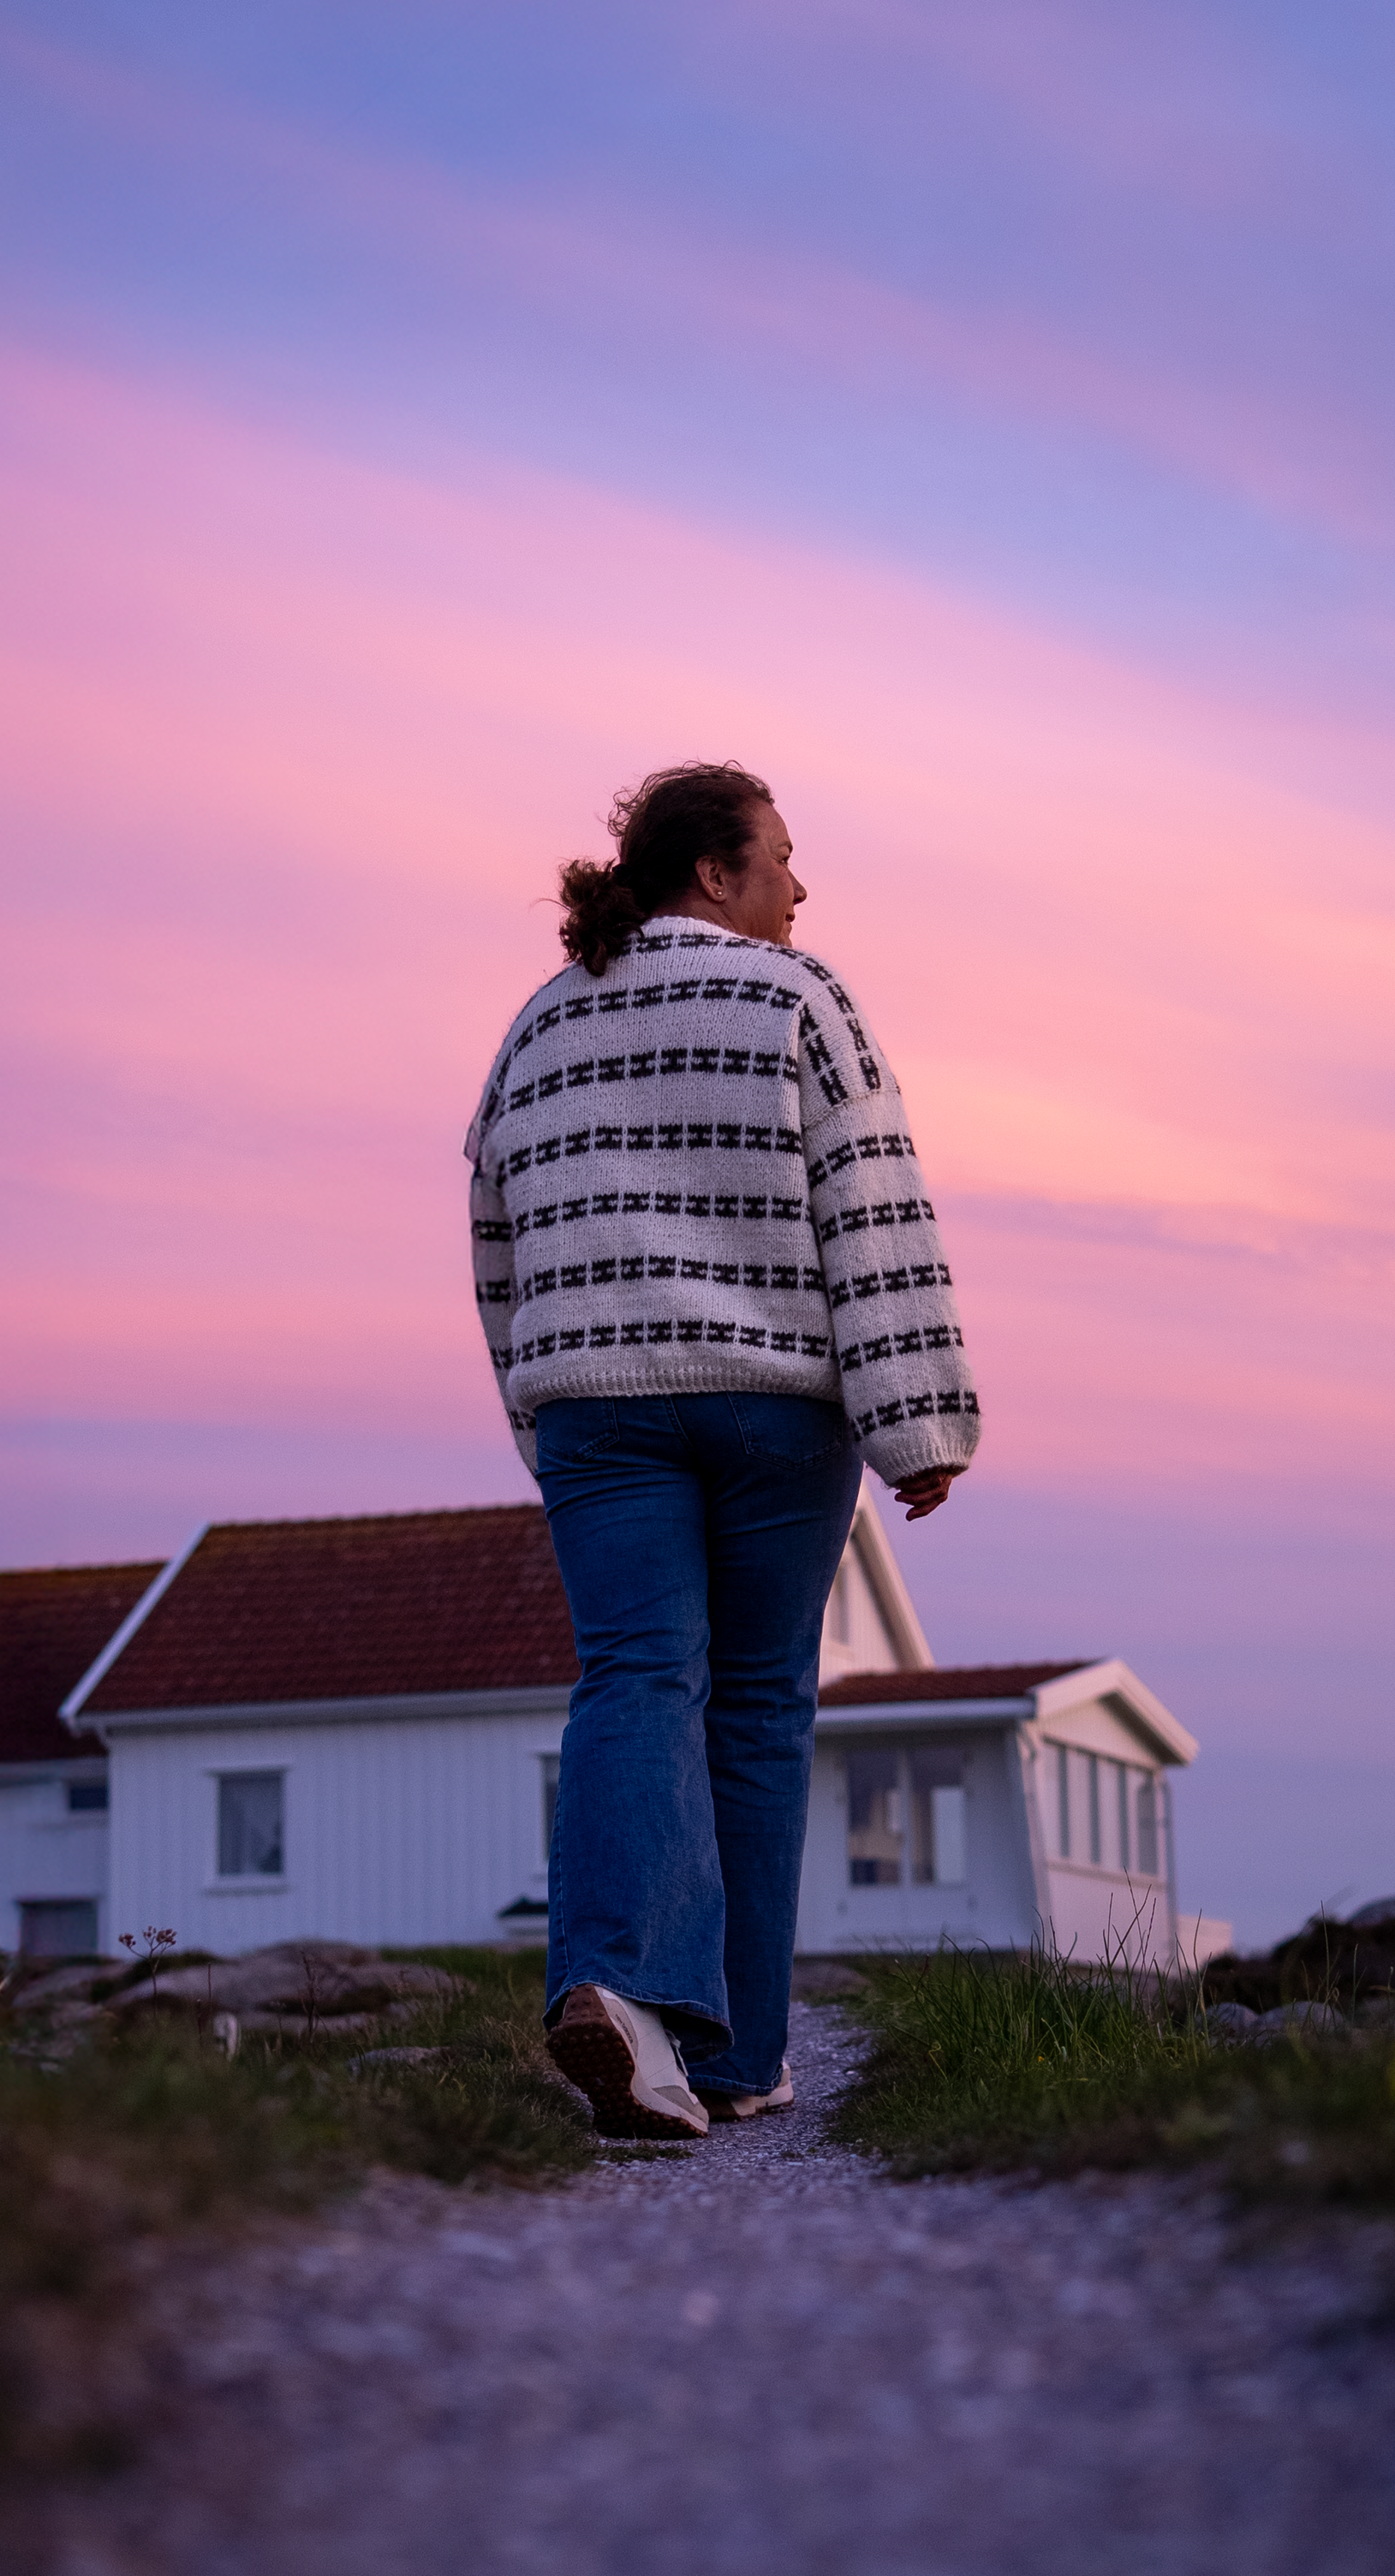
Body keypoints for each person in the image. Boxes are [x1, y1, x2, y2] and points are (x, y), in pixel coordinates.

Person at [465, 761, 981, 2136]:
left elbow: (495, 1243)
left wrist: (547, 1415)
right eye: (784, 858)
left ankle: (622, 1997)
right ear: (714, 872)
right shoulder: (799, 1002)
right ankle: (740, 2053)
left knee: (636, 1677)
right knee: (756, 1706)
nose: (801, 888)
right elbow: (875, 1219)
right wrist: (914, 1424)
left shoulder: (535, 1027)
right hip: (773, 1407)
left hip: (595, 1401)